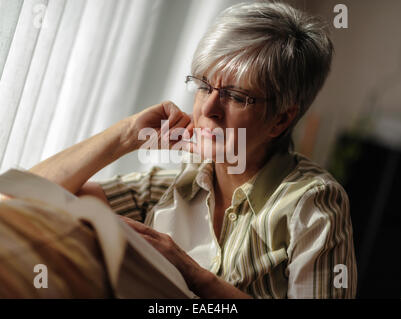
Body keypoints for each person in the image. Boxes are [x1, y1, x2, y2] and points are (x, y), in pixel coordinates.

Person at [28, 1, 357, 298]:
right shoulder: (173, 185)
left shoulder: (312, 202)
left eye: (236, 96)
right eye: (203, 86)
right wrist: (127, 134)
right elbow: (24, 200)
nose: (208, 109)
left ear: (280, 120)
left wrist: (191, 273)